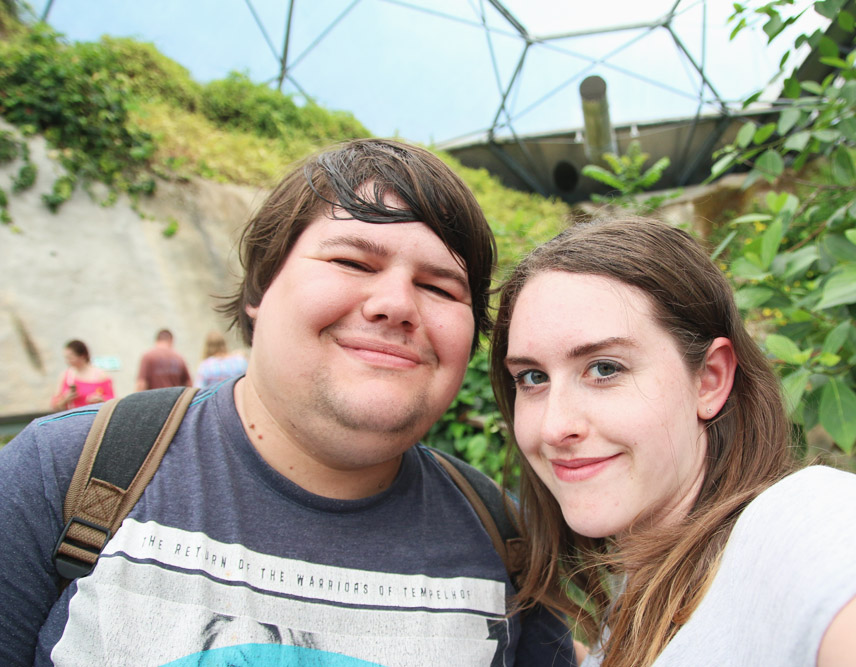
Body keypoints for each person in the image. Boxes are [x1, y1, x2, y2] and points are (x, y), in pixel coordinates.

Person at [0, 139, 576, 666]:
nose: (397, 304)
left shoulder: (509, 543)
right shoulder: (62, 474)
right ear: (260, 287)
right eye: (352, 261)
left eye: (439, 287)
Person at [489, 216, 856, 667]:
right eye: (532, 378)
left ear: (709, 379)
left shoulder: (802, 525)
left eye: (604, 368)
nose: (555, 427)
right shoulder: (648, 587)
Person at [50, 339, 115, 410]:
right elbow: (54, 405)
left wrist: (101, 399)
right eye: (66, 358)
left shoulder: (101, 375)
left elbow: (113, 401)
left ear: (82, 356)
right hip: (72, 417)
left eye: (71, 357)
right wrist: (65, 399)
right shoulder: (66, 376)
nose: (68, 361)